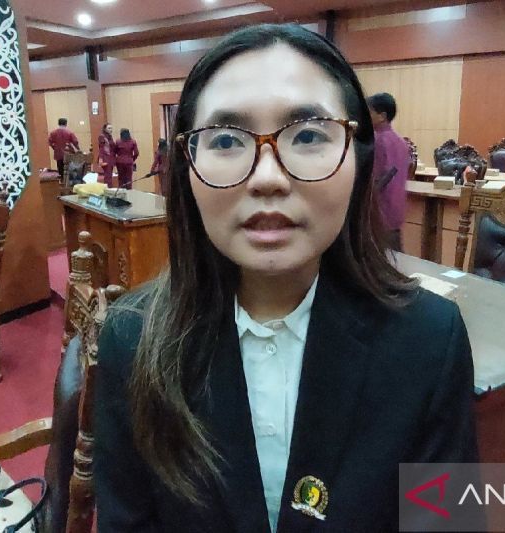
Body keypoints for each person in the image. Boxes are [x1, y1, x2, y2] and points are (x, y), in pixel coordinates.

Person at [94, 23, 477, 532]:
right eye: (226, 139)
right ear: (186, 167)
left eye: (309, 135)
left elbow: (445, 522)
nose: (268, 178)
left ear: (358, 160)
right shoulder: (131, 337)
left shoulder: (429, 339)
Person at [367, 92, 410, 252]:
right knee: (395, 254)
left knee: (378, 256)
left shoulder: (377, 141)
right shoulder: (400, 141)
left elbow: (379, 178)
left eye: (369, 112)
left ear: (382, 116)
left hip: (380, 209)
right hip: (397, 209)